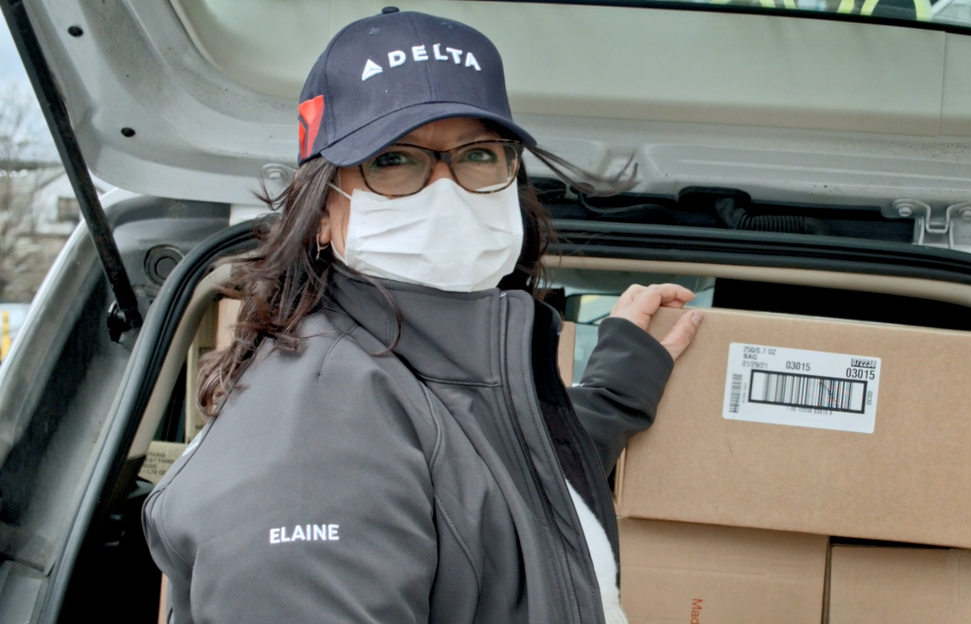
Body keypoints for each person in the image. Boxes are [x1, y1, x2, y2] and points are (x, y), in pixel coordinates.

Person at [142, 8, 703, 624]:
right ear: (323, 210)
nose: (448, 189)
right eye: (393, 160)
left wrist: (611, 397)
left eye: (480, 154)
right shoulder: (317, 430)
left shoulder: (416, 375)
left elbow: (485, 483)